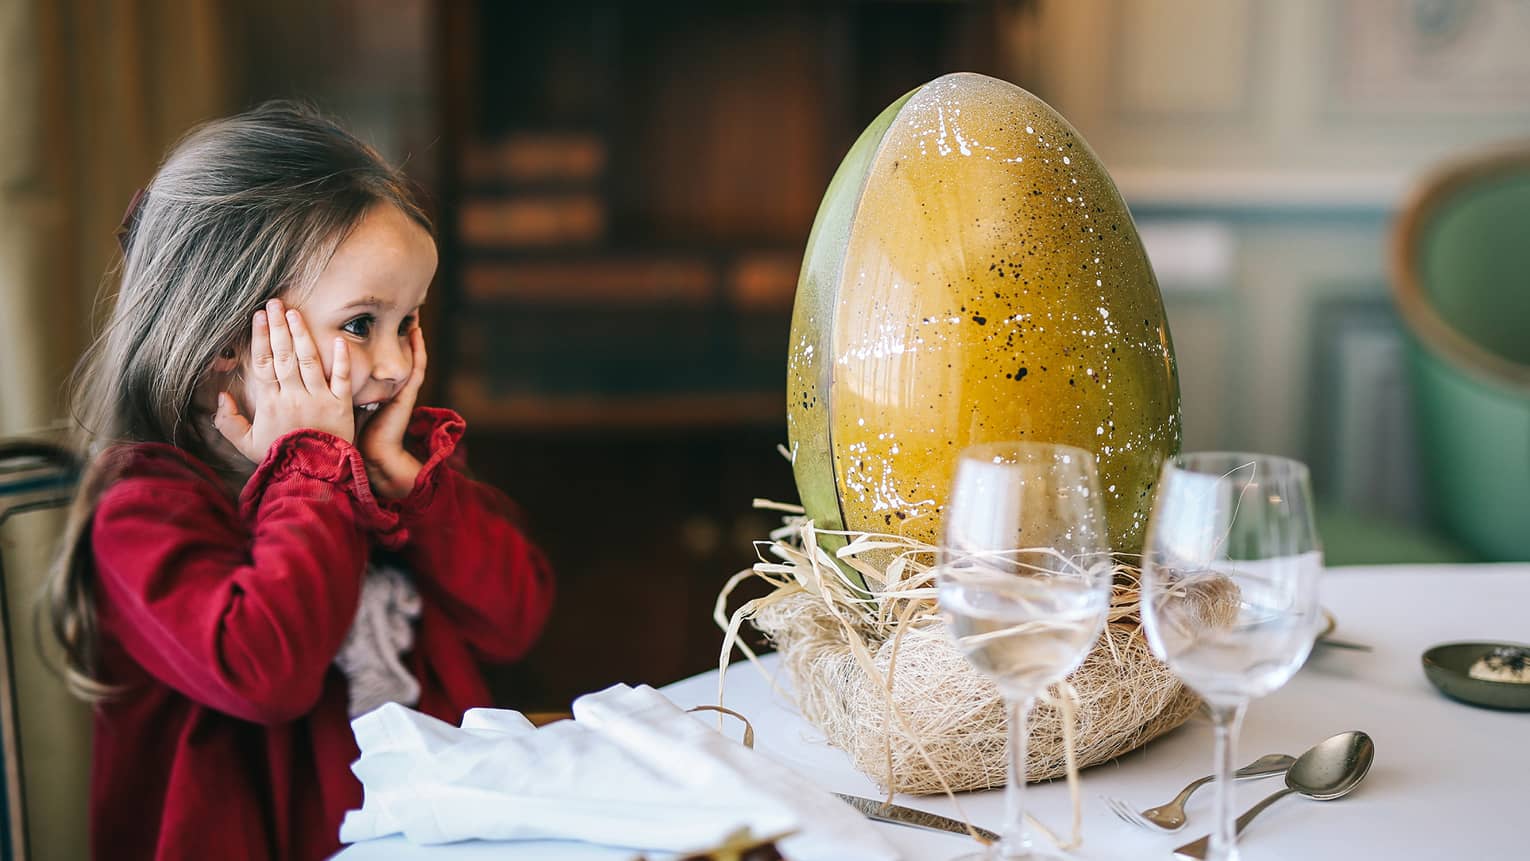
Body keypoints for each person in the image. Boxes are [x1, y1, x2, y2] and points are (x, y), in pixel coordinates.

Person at [45, 101, 555, 860]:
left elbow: (514, 620)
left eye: (407, 322)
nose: (394, 364)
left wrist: (408, 487)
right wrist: (309, 471)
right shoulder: (145, 508)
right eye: (360, 324)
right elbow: (264, 672)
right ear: (227, 337)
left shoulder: (383, 458)